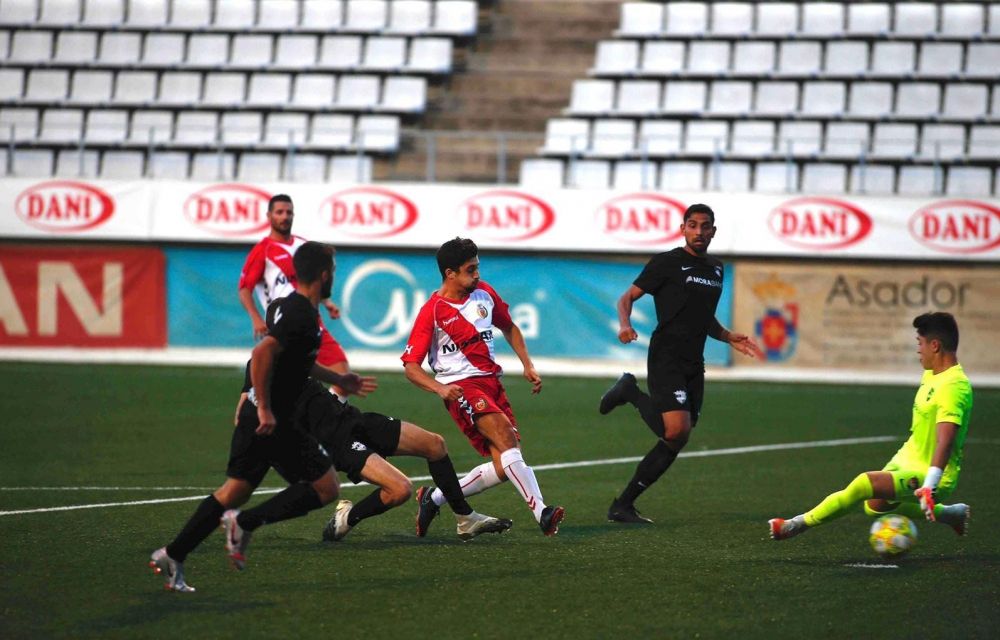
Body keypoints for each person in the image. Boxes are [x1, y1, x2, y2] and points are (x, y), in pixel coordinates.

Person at [150, 242, 376, 592]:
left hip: (256, 416)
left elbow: (297, 361)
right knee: (326, 487)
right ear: (323, 275)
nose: (334, 275)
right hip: (273, 419)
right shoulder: (302, 314)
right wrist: (266, 408)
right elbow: (262, 353)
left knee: (233, 491)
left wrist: (339, 379)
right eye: (332, 270)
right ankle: (244, 523)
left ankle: (173, 554)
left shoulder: (293, 307)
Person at [598, 203, 762, 524]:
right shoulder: (667, 263)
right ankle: (630, 392)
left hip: (694, 362)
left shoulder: (716, 269)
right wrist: (625, 324)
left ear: (713, 231)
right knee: (676, 429)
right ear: (682, 229)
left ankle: (623, 505)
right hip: (667, 356)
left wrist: (727, 335)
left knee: (676, 438)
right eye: (693, 225)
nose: (699, 231)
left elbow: (702, 317)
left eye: (705, 226)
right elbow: (626, 298)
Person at [402, 237, 565, 537]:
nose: (477, 275)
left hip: (492, 384)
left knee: (505, 465)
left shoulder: (485, 293)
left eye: (477, 267)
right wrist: (440, 389)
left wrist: (527, 365)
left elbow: (509, 326)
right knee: (506, 440)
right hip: (461, 387)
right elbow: (411, 367)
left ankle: (434, 498)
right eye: (470, 270)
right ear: (450, 273)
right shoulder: (433, 311)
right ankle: (542, 512)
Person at [233, 371, 513, 542]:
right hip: (335, 442)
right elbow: (246, 416)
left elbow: (323, 385)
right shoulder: (260, 367)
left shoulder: (302, 349)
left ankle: (465, 518)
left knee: (435, 444)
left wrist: (340, 388)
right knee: (400, 489)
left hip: (352, 419)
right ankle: (347, 518)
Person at [769, 312, 972, 541]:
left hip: (933, 473)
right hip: (909, 457)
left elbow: (946, 440)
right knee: (874, 506)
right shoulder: (932, 374)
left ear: (935, 346)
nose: (918, 350)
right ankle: (950, 515)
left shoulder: (953, 386)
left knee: (864, 484)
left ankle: (795, 525)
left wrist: (930, 485)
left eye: (920, 343)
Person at [238, 194, 351, 396]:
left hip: (312, 320)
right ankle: (255, 404)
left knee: (343, 377)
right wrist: (256, 318)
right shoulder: (263, 251)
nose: (285, 217)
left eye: (288, 212)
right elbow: (245, 288)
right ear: (269, 216)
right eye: (279, 212)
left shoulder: (303, 246)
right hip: (284, 322)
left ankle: (326, 414)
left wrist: (327, 302)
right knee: (281, 383)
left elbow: (313, 279)